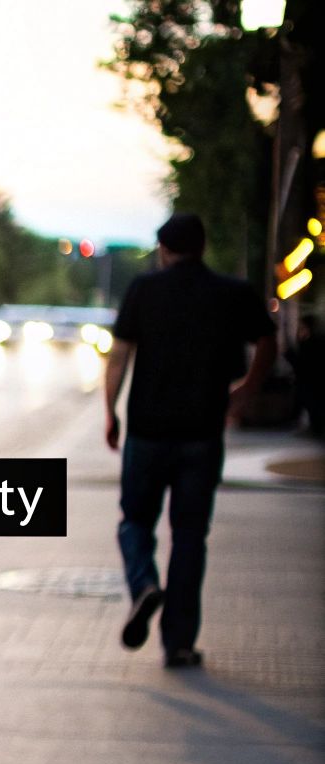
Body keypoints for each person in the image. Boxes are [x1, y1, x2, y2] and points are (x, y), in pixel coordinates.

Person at [104, 213, 276, 667]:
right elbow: (268, 341)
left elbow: (119, 356)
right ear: (201, 247)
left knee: (134, 522)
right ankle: (178, 642)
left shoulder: (144, 289)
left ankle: (144, 584)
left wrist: (110, 412)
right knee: (190, 536)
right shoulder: (231, 292)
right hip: (202, 432)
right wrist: (245, 391)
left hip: (147, 431)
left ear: (164, 250)